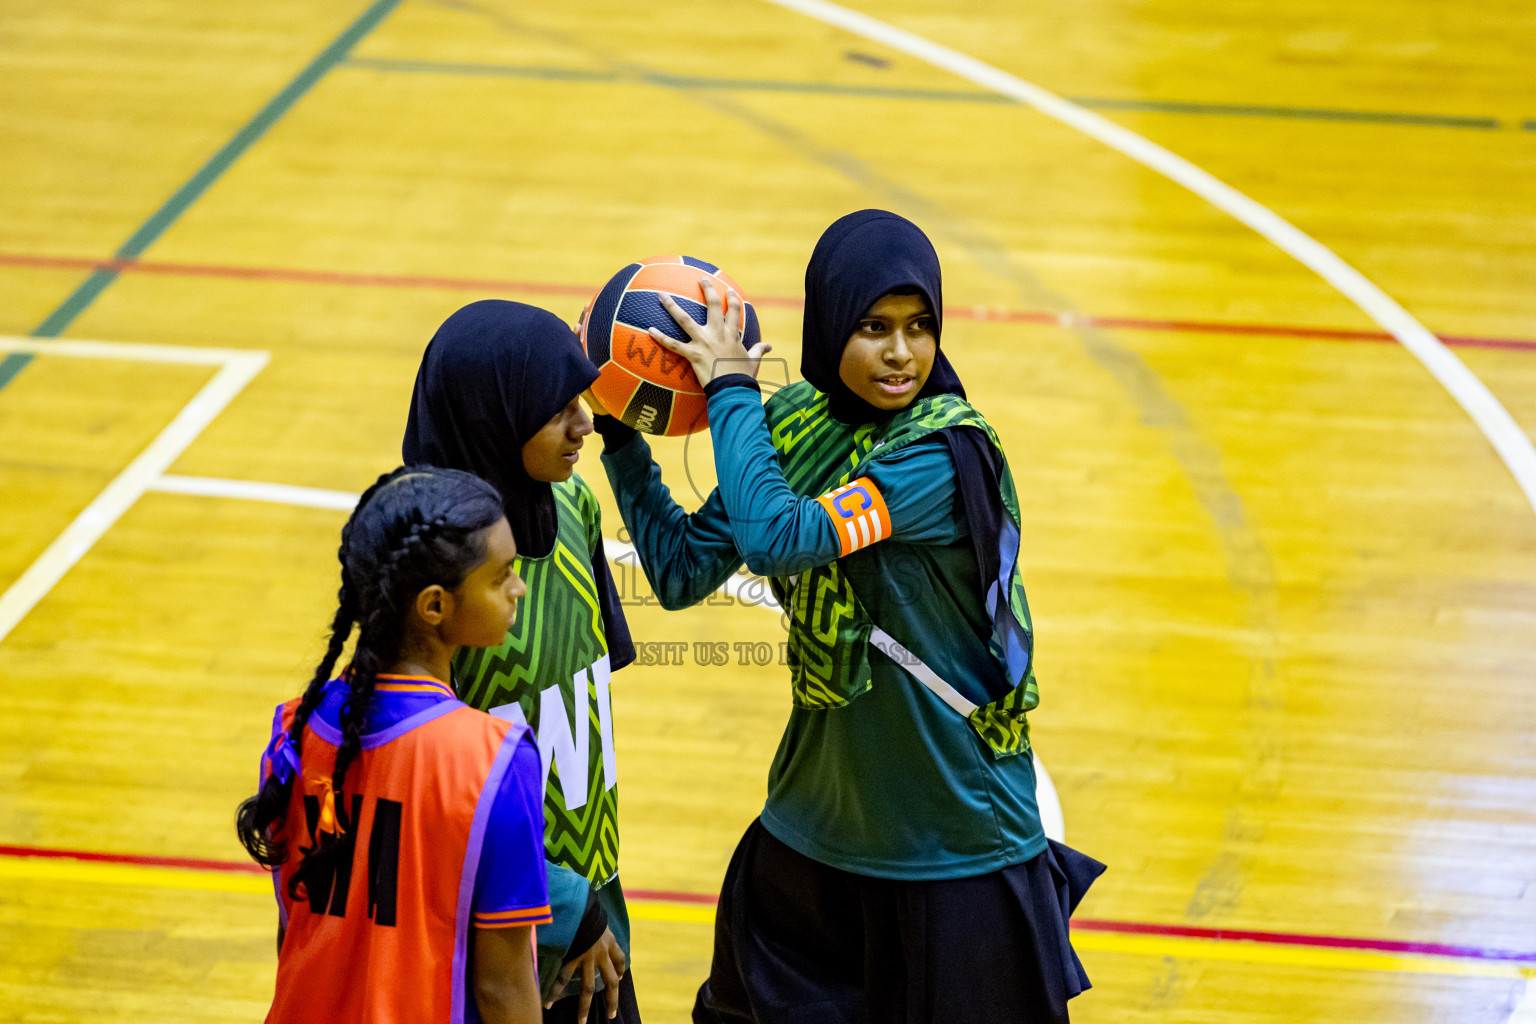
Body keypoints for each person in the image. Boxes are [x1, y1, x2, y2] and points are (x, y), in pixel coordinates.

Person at [595, 210, 1105, 1023]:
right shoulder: (797, 422)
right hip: (813, 830)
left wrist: (730, 392)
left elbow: (779, 541)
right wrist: (625, 436)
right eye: (874, 328)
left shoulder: (942, 455)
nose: (901, 353)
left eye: (919, 327)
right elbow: (683, 568)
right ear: (831, 320)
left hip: (953, 842)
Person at [235, 465, 545, 1024]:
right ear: (434, 606)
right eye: (501, 577)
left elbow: (293, 931)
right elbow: (503, 989)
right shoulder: (495, 761)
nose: (517, 589)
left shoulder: (293, 731)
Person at [402, 300, 640, 1024]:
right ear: (493, 417)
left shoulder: (575, 509)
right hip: (500, 921)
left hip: (596, 898)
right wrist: (564, 901)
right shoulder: (432, 578)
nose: (585, 423)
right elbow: (424, 783)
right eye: (556, 408)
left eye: (581, 399)